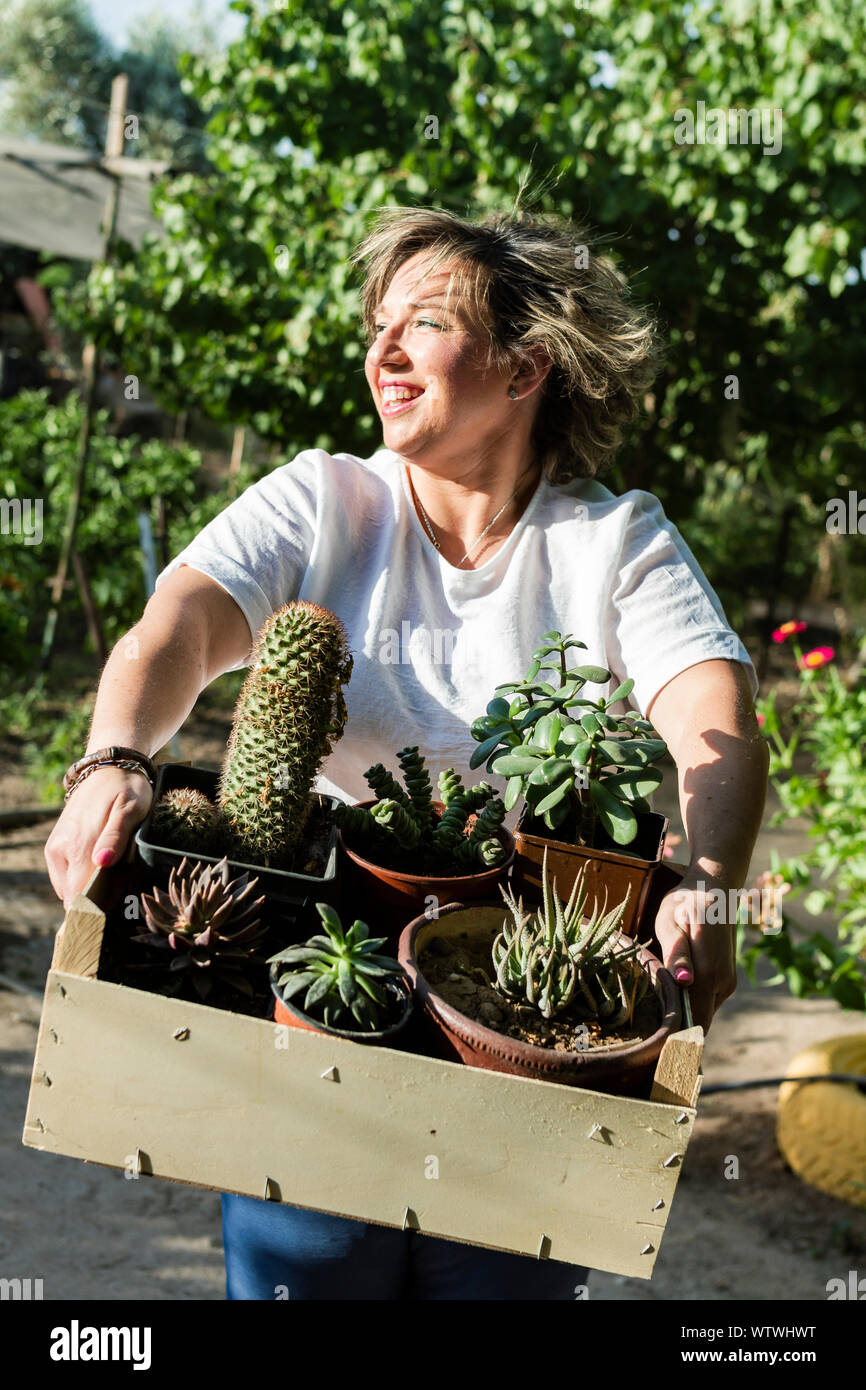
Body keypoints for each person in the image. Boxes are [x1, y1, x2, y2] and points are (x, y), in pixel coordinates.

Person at [46, 204, 769, 1300]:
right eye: (376, 323)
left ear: (523, 366)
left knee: (497, 1283)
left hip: (521, 1005)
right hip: (320, 980)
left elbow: (711, 709)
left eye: (421, 323)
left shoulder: (610, 542)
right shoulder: (323, 499)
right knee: (312, 1265)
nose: (380, 350)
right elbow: (177, 627)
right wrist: (112, 761)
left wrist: (709, 884)